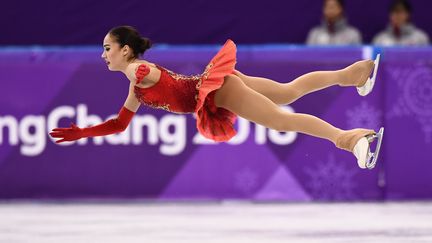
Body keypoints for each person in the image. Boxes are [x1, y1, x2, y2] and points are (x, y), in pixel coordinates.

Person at [49, 26, 384, 169]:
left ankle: (350, 139)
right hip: (217, 87)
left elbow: (147, 71)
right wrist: (83, 133)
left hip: (216, 90)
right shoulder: (135, 87)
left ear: (125, 50)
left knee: (281, 118)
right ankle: (355, 73)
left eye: (107, 49)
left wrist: (139, 70)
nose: (103, 55)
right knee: (288, 91)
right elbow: (120, 124)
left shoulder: (140, 71)